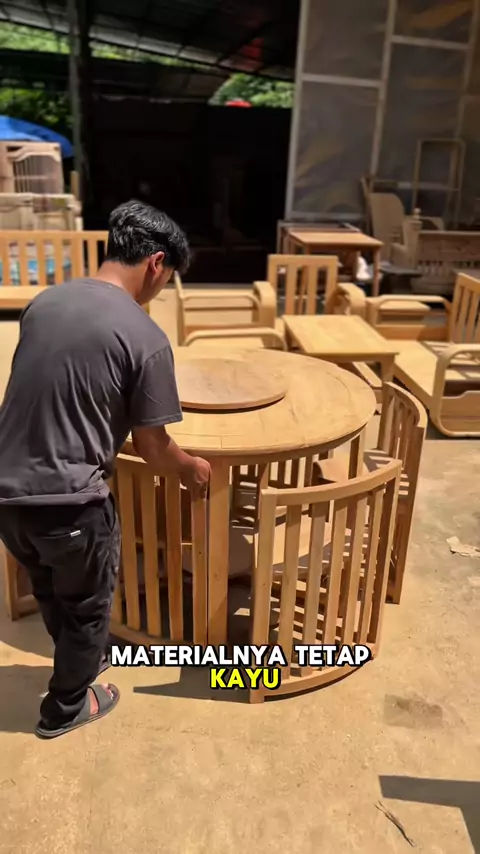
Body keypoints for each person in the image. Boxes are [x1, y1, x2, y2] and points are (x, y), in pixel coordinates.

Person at [0, 200, 211, 739]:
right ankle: (66, 706)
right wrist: (191, 467)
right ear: (156, 263)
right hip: (69, 502)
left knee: (52, 588)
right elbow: (154, 447)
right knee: (89, 606)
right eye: (167, 278)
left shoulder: (44, 304)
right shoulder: (144, 336)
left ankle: (81, 658)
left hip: (9, 496)